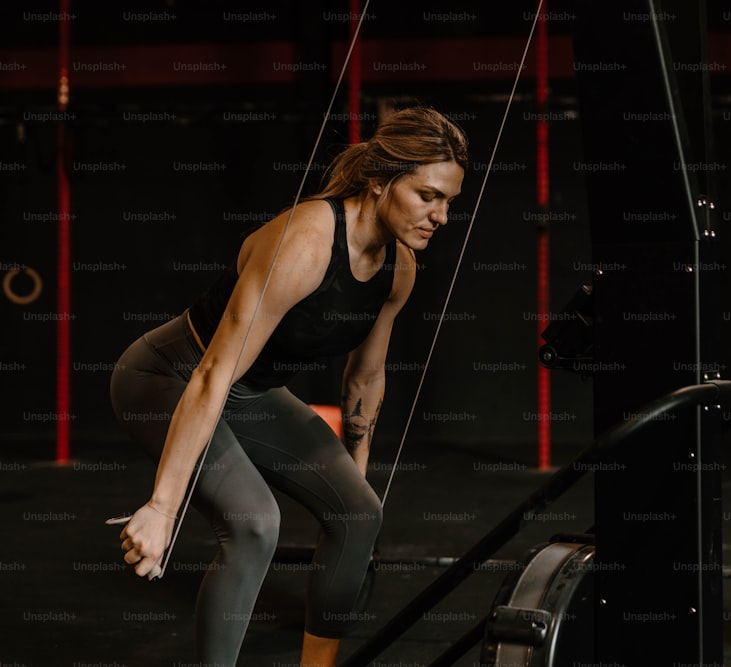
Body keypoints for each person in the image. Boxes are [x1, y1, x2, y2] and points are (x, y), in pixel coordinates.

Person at [109, 107, 467, 667]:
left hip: (249, 393)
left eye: (448, 201)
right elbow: (213, 373)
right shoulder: (304, 244)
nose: (441, 215)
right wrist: (162, 505)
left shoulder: (399, 268)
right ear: (380, 180)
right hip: (168, 376)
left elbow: (366, 378)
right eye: (428, 196)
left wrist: (355, 470)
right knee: (254, 524)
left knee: (359, 513)